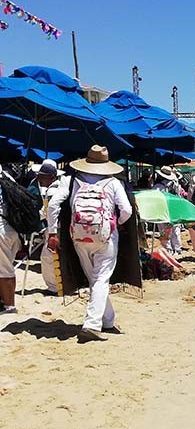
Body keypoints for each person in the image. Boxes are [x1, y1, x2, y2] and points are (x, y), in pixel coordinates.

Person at [47, 145, 133, 342]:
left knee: (95, 279)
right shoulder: (112, 183)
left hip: (78, 236)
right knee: (101, 279)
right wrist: (115, 223)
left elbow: (53, 205)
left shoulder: (70, 181)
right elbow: (126, 210)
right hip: (106, 237)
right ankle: (92, 324)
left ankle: (108, 319)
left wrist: (52, 232)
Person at [28, 160, 63, 294]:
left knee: (49, 258)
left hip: (54, 228)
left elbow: (51, 212)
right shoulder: (56, 187)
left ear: (51, 177)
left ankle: (55, 288)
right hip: (55, 227)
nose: (39, 178)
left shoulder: (53, 190)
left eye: (43, 176)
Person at [0, 167, 22, 314]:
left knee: (4, 270)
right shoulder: (7, 178)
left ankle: (9, 306)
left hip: (1, 230)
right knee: (6, 267)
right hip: (13, 229)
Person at [154, 166, 184, 255]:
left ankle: (168, 248)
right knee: (175, 229)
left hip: (162, 210)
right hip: (174, 209)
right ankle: (177, 248)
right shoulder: (176, 185)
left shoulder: (158, 186)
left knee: (164, 230)